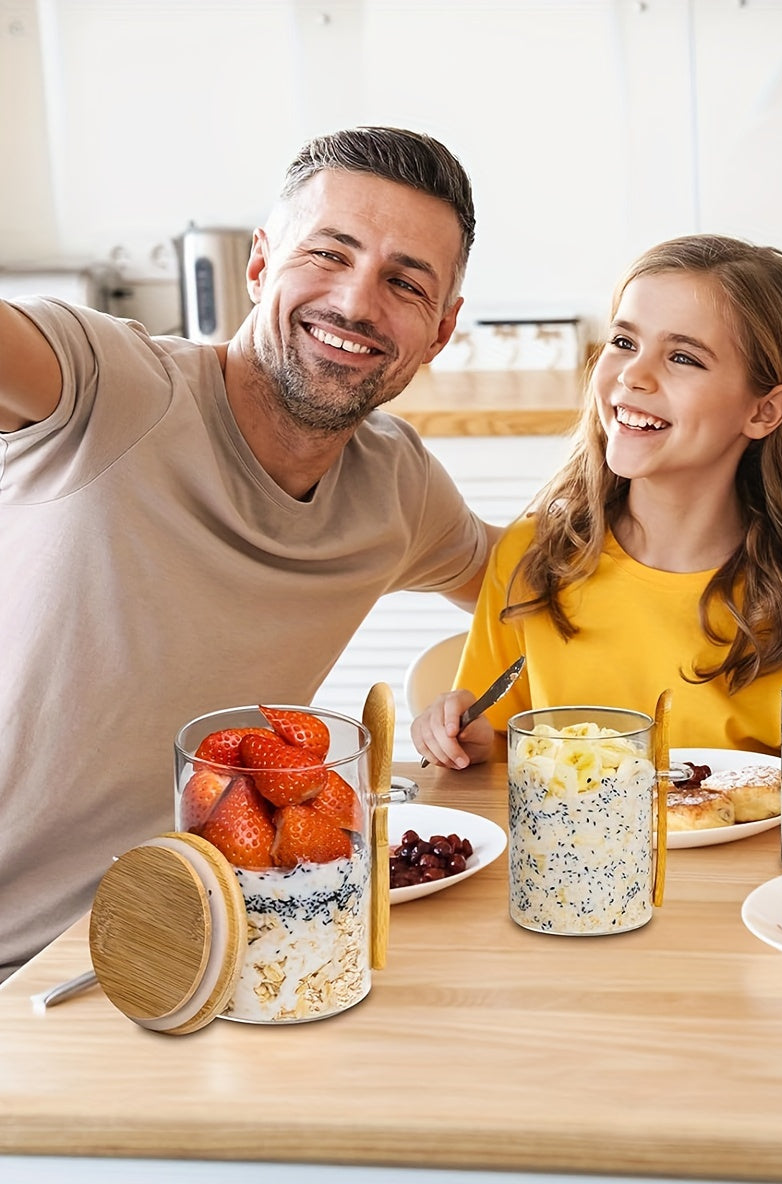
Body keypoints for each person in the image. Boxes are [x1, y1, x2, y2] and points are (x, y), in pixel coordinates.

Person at [0, 126, 501, 981]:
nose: (355, 303)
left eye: (404, 283)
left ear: (441, 330)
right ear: (261, 263)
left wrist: (471, 698)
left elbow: (530, 587)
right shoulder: (109, 388)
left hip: (159, 949)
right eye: (328, 254)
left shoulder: (396, 486)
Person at [413, 234, 782, 768]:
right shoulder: (532, 558)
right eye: (623, 342)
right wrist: (471, 743)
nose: (634, 374)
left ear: (765, 411)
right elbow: (498, 750)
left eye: (682, 357)